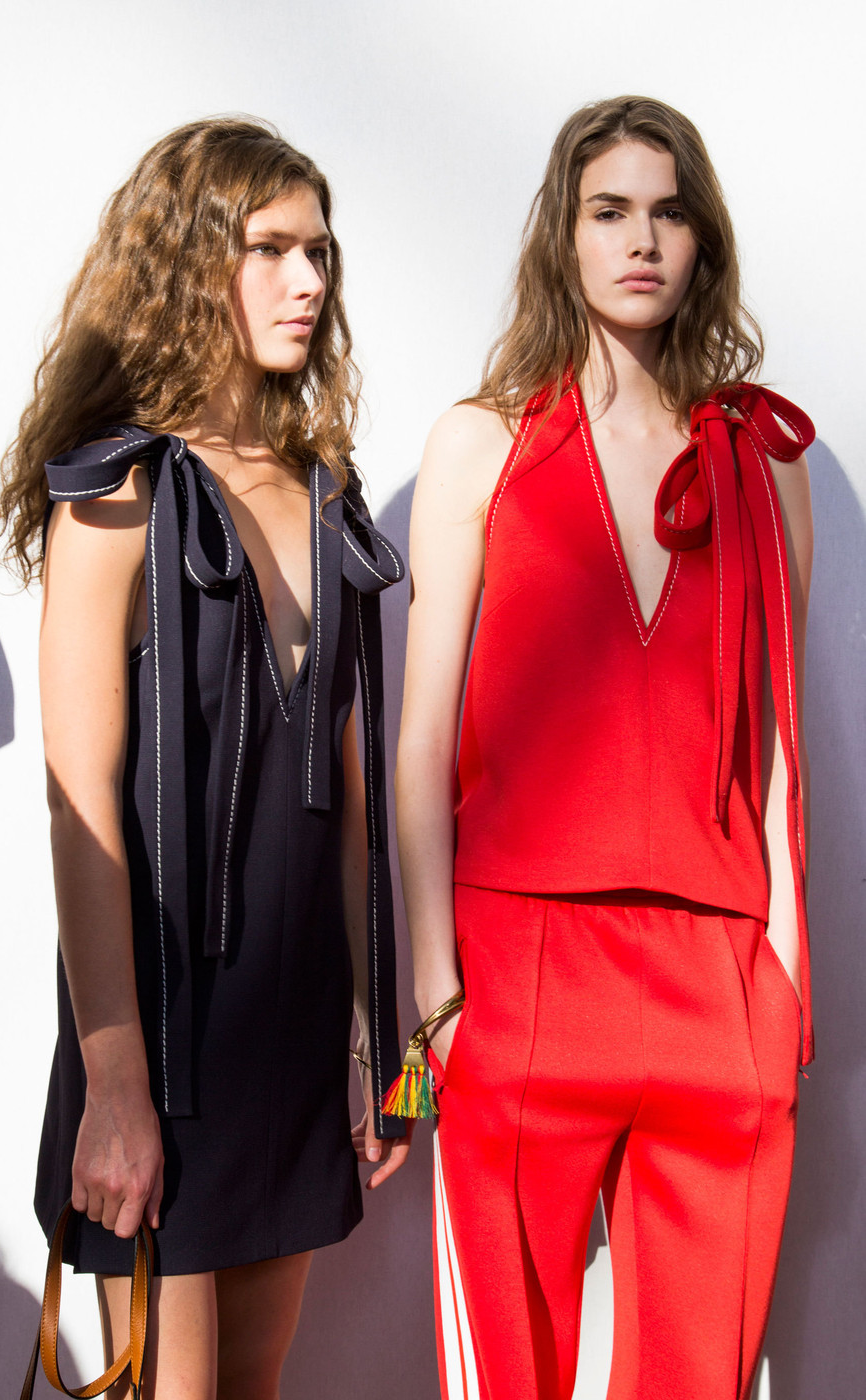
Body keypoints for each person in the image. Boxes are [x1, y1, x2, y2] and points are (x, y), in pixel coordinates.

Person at [395, 95, 814, 1400]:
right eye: (610, 211)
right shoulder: (482, 443)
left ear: (703, 239)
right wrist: (434, 988)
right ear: (562, 234)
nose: (642, 241)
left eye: (669, 212)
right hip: (517, 966)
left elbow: (780, 740)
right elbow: (421, 737)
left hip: (716, 972)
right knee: (504, 1375)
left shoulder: (764, 459)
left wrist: (783, 978)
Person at [0, 117, 409, 1399]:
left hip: (294, 1024)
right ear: (187, 261)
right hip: (160, 1036)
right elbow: (77, 806)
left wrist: (377, 1027)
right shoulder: (114, 495)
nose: (308, 280)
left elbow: (349, 792)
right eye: (270, 248)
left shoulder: (325, 489)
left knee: (255, 1382)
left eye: (319, 251)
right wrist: (114, 1077)